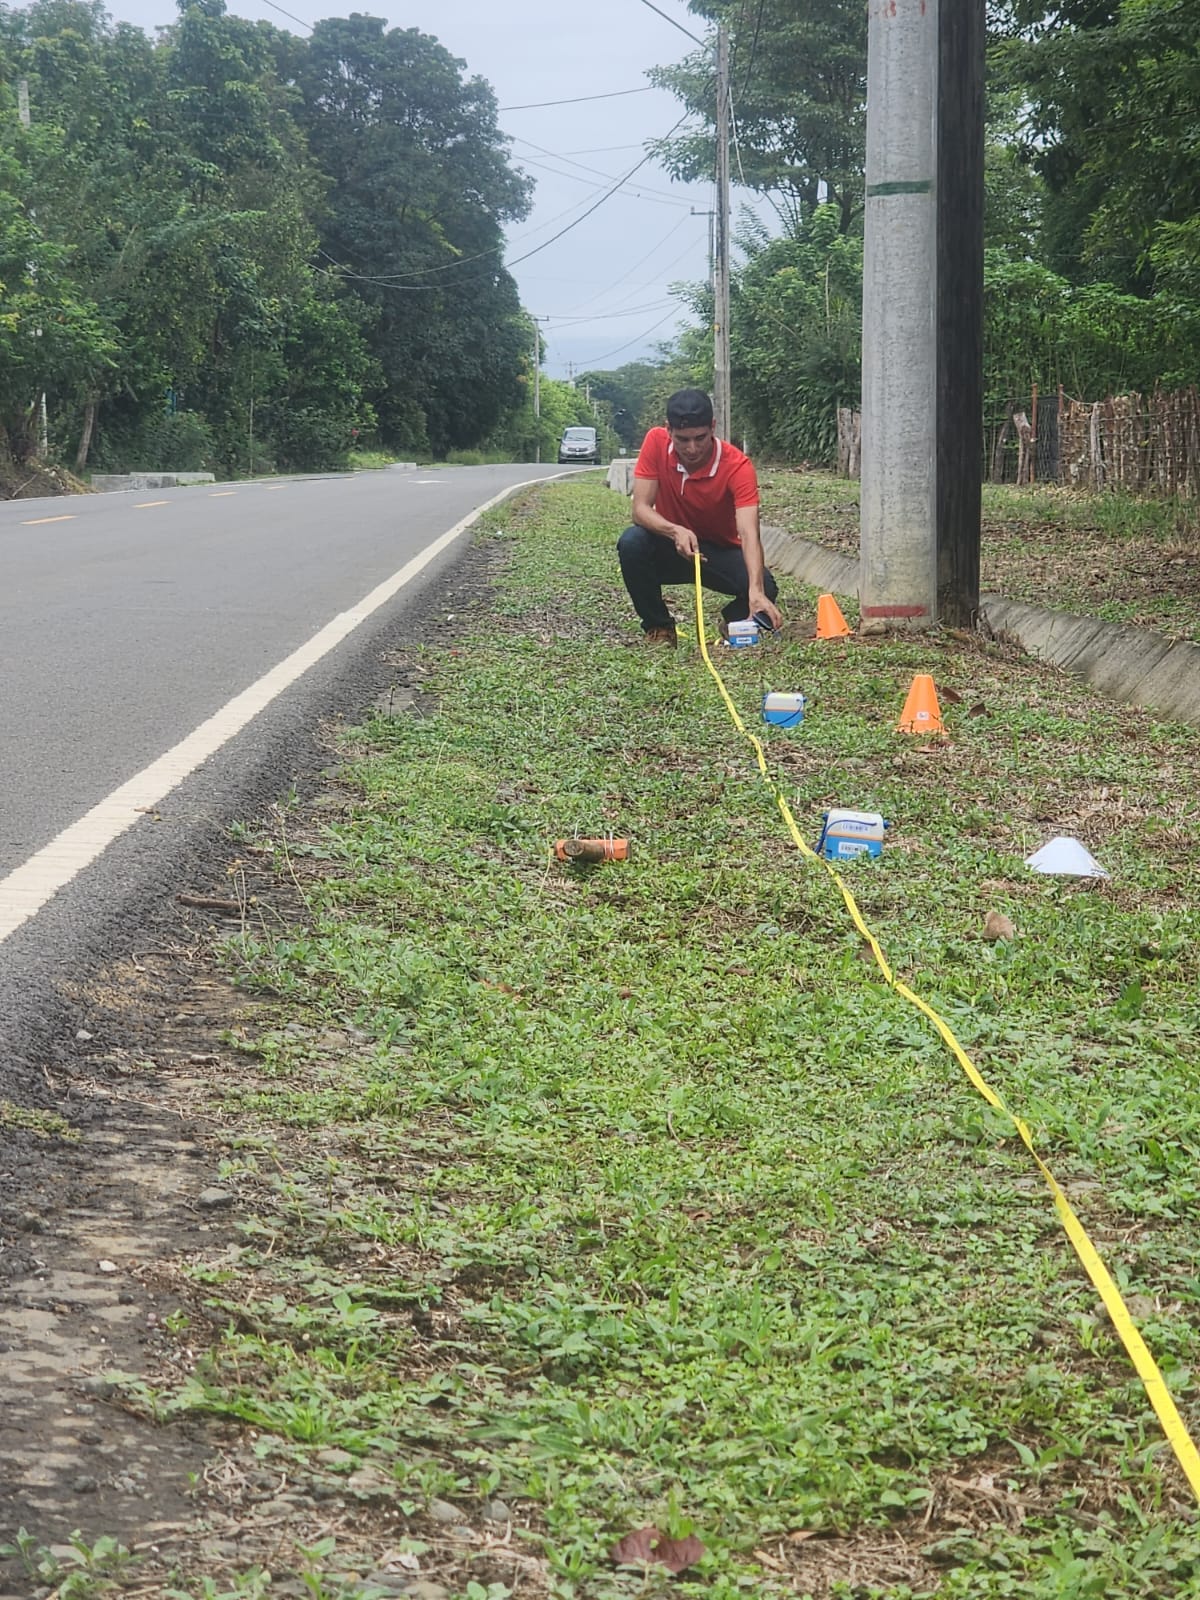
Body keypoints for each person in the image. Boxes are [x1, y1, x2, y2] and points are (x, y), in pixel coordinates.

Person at [616, 388, 782, 647]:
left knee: (766, 587)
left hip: (717, 552)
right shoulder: (655, 442)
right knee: (632, 542)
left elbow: (749, 532)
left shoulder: (737, 466)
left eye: (700, 438)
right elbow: (640, 509)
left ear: (713, 427)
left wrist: (756, 590)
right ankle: (659, 628)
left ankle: (732, 623)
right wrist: (675, 531)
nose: (692, 448)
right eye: (683, 439)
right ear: (668, 429)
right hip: (671, 547)